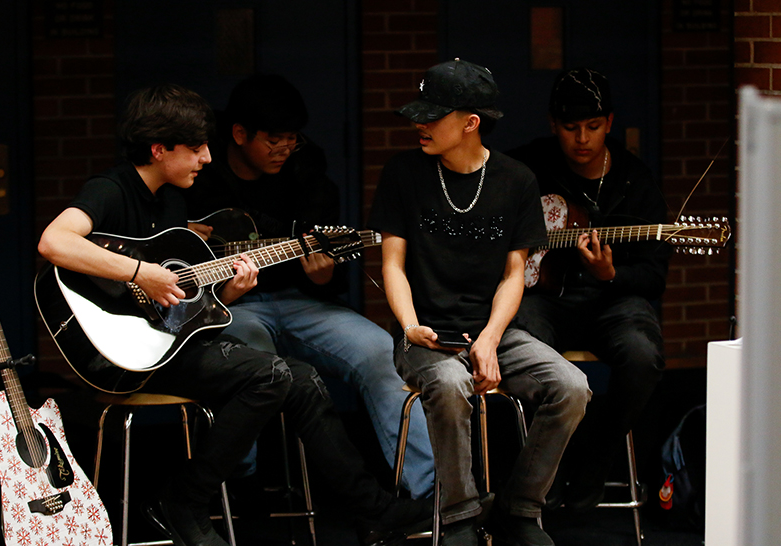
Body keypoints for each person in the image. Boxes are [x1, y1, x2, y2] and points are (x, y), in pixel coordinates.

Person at [37, 84, 431, 546]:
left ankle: (377, 509)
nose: (207, 159)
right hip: (125, 352)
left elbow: (183, 295)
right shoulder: (111, 188)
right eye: (196, 148)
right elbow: (54, 242)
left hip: (166, 341)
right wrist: (141, 272)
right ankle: (185, 499)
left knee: (299, 379)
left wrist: (228, 287)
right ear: (160, 149)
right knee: (271, 376)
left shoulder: (172, 200)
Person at [367, 59, 591, 546]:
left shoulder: (516, 180)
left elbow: (515, 275)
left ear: (470, 123)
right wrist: (408, 326)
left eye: (432, 115)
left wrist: (490, 339)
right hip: (424, 334)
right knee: (449, 383)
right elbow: (392, 265)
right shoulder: (403, 173)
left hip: (493, 330)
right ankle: (460, 517)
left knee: (571, 386)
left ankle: (520, 509)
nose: (419, 124)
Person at [182, 74, 435, 499]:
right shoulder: (200, 171)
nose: (285, 148)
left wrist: (323, 273)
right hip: (231, 306)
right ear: (239, 134)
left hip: (302, 300)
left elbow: (328, 270)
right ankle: (240, 491)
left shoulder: (306, 168)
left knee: (379, 352)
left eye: (292, 139)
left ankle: (428, 495)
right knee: (247, 363)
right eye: (273, 139)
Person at [506, 67, 671, 513]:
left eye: (593, 127)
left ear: (610, 124)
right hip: (543, 299)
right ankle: (536, 476)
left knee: (643, 356)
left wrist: (611, 275)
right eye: (571, 127)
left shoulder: (636, 181)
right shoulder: (526, 167)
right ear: (552, 125)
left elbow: (655, 276)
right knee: (520, 348)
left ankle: (593, 463)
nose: (582, 138)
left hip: (613, 301)